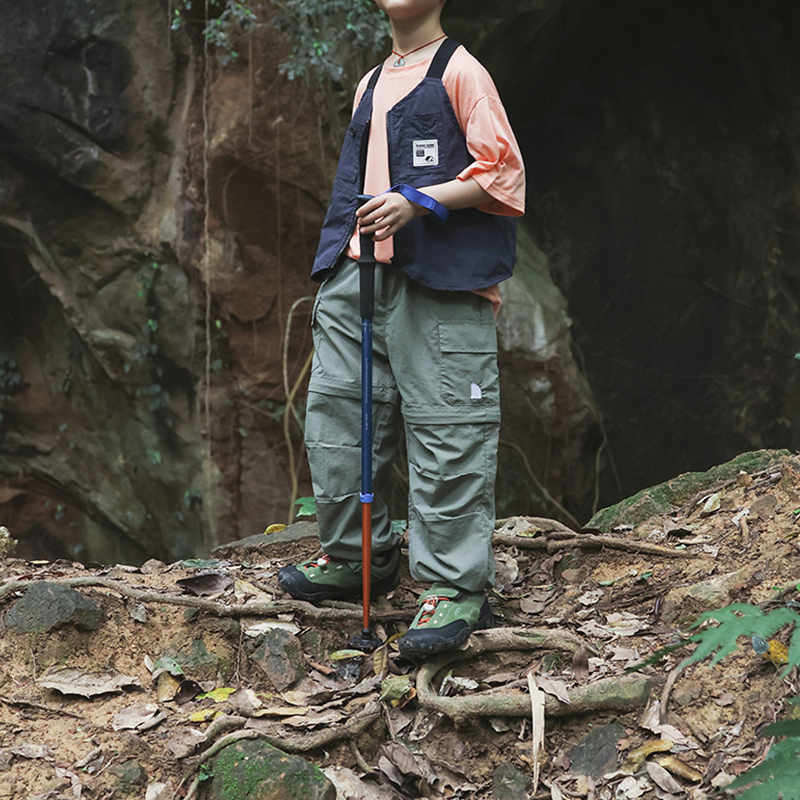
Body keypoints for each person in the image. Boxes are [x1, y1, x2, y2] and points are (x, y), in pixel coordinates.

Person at [278, 0, 525, 659]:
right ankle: (356, 556)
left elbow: (505, 171)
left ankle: (453, 587)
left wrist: (419, 201)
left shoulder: (461, 72)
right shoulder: (371, 80)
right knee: (339, 421)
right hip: (358, 275)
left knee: (447, 432)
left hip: (438, 284)